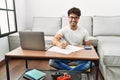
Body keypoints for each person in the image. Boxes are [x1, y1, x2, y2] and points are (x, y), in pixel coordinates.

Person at [49, 7, 91, 72]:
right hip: (66, 55)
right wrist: (60, 44)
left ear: (78, 18)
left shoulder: (84, 31)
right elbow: (54, 40)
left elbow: (89, 46)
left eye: (76, 17)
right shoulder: (64, 30)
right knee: (52, 62)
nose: (73, 20)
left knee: (90, 63)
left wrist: (87, 49)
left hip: (79, 56)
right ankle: (74, 72)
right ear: (68, 17)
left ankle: (69, 72)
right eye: (71, 17)